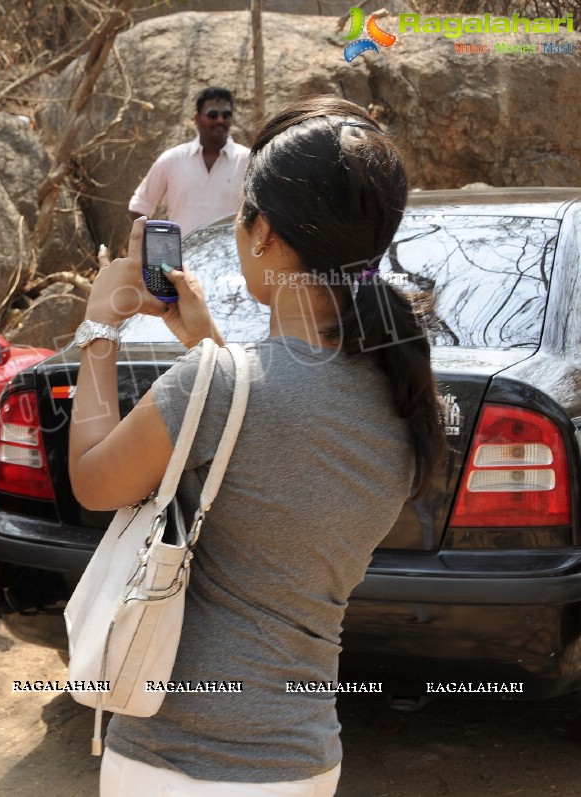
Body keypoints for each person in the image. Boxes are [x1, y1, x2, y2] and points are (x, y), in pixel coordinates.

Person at [72, 96, 445, 795]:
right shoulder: (402, 402)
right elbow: (273, 464)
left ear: (263, 232)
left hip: (176, 758)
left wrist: (97, 330)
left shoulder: (217, 389)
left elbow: (93, 481)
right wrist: (208, 346)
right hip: (303, 756)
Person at [128, 86, 251, 236]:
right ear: (197, 118)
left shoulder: (248, 162)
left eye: (226, 115)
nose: (220, 120)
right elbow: (140, 207)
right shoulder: (172, 160)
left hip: (231, 259)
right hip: (180, 258)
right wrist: (156, 246)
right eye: (213, 114)